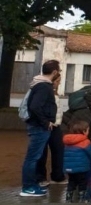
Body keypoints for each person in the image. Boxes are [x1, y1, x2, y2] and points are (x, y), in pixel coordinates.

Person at [20, 60, 61, 197]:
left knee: (34, 157)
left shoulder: (38, 84)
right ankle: (28, 187)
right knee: (33, 157)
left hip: (37, 125)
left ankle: (31, 185)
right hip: (39, 127)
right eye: (59, 71)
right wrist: (46, 122)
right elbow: (35, 106)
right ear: (54, 72)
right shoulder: (44, 86)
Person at [35, 68, 66, 187]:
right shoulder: (45, 91)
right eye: (57, 81)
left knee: (58, 150)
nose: (59, 83)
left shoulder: (55, 93)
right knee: (42, 152)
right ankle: (40, 177)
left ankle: (57, 176)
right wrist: (46, 122)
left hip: (56, 126)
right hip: (46, 125)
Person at [62, 120, 91, 202]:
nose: (88, 132)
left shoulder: (67, 141)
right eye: (88, 130)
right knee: (82, 183)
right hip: (82, 168)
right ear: (84, 131)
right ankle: (81, 198)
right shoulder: (85, 142)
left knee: (71, 182)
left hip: (69, 168)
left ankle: (68, 198)